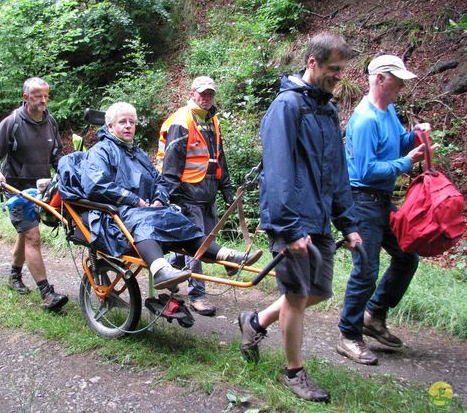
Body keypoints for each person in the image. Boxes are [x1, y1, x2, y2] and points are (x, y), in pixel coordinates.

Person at [238, 32, 362, 403]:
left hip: (320, 218)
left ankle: (254, 322)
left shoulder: (326, 109)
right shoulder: (287, 106)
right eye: (333, 69)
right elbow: (277, 171)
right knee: (295, 295)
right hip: (292, 221)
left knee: (319, 291)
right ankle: (293, 372)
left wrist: (349, 223)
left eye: (342, 69)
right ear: (312, 62)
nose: (339, 76)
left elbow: (336, 171)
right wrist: (289, 228)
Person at [58, 102, 253, 291]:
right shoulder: (100, 151)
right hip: (112, 214)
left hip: (143, 210)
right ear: (110, 126)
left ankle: (226, 257)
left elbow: (159, 181)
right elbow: (96, 185)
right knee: (144, 221)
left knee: (177, 218)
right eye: (122, 122)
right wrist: (135, 200)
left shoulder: (138, 152)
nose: (128, 126)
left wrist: (159, 200)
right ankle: (160, 271)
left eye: (132, 122)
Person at [336, 55, 434, 365]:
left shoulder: (388, 110)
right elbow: (365, 170)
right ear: (380, 79)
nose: (403, 85)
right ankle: (349, 336)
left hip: (381, 201)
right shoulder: (365, 119)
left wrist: (414, 136)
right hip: (362, 201)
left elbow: (396, 144)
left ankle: (374, 315)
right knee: (366, 271)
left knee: (407, 257)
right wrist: (407, 163)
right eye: (398, 79)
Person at [0, 77, 68, 311]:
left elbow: (57, 155)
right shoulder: (12, 122)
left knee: (25, 234)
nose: (43, 100)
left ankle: (14, 276)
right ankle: (47, 294)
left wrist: (68, 169)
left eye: (46, 96)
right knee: (32, 236)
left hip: (42, 190)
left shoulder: (51, 123)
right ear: (26, 97)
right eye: (38, 96)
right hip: (16, 191)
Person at [157, 76, 234, 316]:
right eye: (202, 93)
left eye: (210, 94)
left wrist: (227, 190)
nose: (206, 97)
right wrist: (173, 197)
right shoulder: (182, 120)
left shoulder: (212, 121)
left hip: (207, 193)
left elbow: (219, 157)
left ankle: (169, 273)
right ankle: (197, 296)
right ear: (192, 93)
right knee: (198, 248)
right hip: (187, 195)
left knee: (201, 245)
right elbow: (171, 162)